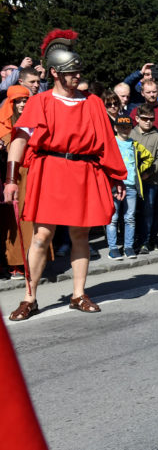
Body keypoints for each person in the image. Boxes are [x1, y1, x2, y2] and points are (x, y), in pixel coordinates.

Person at [3, 29, 127, 320]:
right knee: (42, 235)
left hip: (84, 171)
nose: (77, 77)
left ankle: (79, 294)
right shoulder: (40, 102)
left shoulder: (92, 102)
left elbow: (106, 143)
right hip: (50, 170)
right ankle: (30, 298)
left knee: (80, 234)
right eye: (71, 73)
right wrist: (10, 179)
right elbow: (19, 140)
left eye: (79, 72)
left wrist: (116, 177)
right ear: (55, 73)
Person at [107, 111, 153, 259]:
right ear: (115, 128)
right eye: (121, 127)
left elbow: (149, 157)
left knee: (130, 218)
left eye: (127, 127)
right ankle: (113, 248)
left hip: (131, 186)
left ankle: (128, 247)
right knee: (113, 218)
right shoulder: (110, 143)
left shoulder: (134, 144)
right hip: (114, 186)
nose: (124, 129)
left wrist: (139, 171)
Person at [0, 86, 32, 279]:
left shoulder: (33, 121)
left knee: (32, 220)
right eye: (18, 101)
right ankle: (16, 263)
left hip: (32, 174)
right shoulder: (3, 125)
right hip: (12, 178)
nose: (22, 104)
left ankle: (32, 260)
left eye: (25, 100)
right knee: (13, 220)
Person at [130, 103, 158, 253]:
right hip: (131, 181)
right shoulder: (130, 134)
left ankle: (145, 242)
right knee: (131, 213)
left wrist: (151, 171)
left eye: (151, 119)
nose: (148, 122)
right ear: (137, 118)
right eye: (144, 118)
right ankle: (131, 241)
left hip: (150, 180)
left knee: (148, 212)